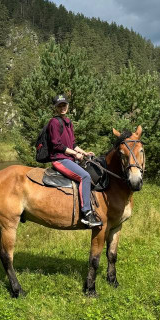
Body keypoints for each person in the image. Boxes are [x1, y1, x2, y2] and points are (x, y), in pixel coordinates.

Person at [47, 94, 102, 228]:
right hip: (59, 159)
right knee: (85, 176)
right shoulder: (54, 122)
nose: (62, 108)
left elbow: (72, 144)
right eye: (59, 106)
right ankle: (87, 213)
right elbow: (57, 146)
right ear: (55, 108)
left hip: (69, 157)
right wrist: (75, 154)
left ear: (68, 106)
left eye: (64, 105)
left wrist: (84, 152)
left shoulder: (68, 122)